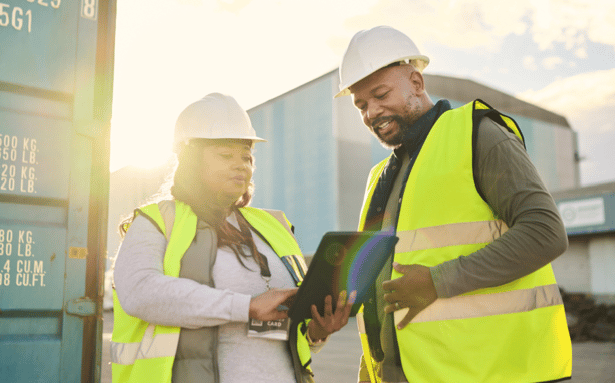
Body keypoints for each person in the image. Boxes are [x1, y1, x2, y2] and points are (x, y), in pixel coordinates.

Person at [334, 26, 572, 383]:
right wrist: (371, 370)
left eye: (380, 95)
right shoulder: (379, 178)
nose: (371, 112)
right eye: (361, 105)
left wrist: (437, 281)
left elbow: (545, 232)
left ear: (416, 82)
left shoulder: (478, 134)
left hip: (492, 371)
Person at [110, 93, 354, 383]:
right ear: (190, 160)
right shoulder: (158, 220)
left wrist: (318, 331)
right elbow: (140, 293)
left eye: (246, 157)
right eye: (226, 155)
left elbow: (282, 332)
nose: (242, 165)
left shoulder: (272, 226)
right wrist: (245, 306)